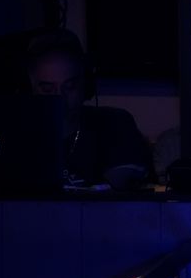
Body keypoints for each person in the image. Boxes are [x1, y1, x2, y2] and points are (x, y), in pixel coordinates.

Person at [26, 29, 153, 189]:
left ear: (85, 84)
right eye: (47, 89)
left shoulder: (115, 124)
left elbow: (121, 186)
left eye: (69, 86)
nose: (59, 97)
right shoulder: (17, 133)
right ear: (31, 88)